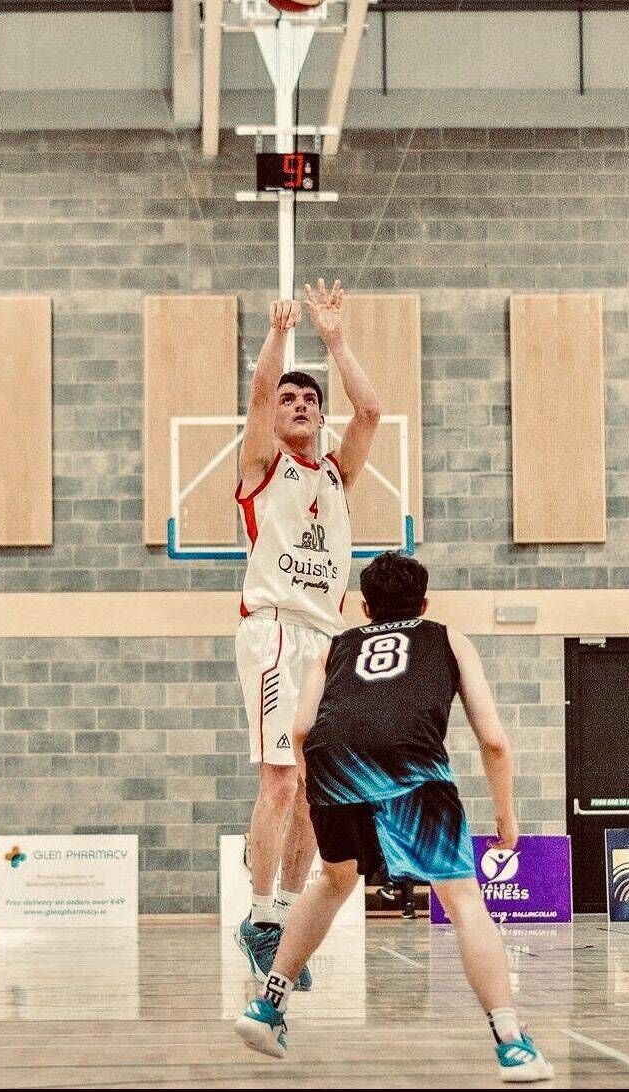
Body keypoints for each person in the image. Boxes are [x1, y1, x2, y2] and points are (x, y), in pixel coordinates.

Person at [234, 552, 554, 1082]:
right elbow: (493, 741)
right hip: (411, 766)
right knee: (462, 897)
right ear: (425, 604)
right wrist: (506, 818)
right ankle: (512, 1044)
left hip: (334, 763)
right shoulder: (448, 638)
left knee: (334, 880)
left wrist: (318, 795)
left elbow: (300, 731)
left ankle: (268, 1007)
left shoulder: (336, 646)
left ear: (364, 606)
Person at [233, 279, 381, 989]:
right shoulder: (263, 466)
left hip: (327, 641)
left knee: (318, 789)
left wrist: (336, 342)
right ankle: (260, 915)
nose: (298, 404)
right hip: (275, 632)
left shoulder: (336, 473)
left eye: (309, 398)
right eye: (291, 398)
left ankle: (287, 913)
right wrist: (280, 336)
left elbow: (373, 410)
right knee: (281, 781)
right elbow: (261, 391)